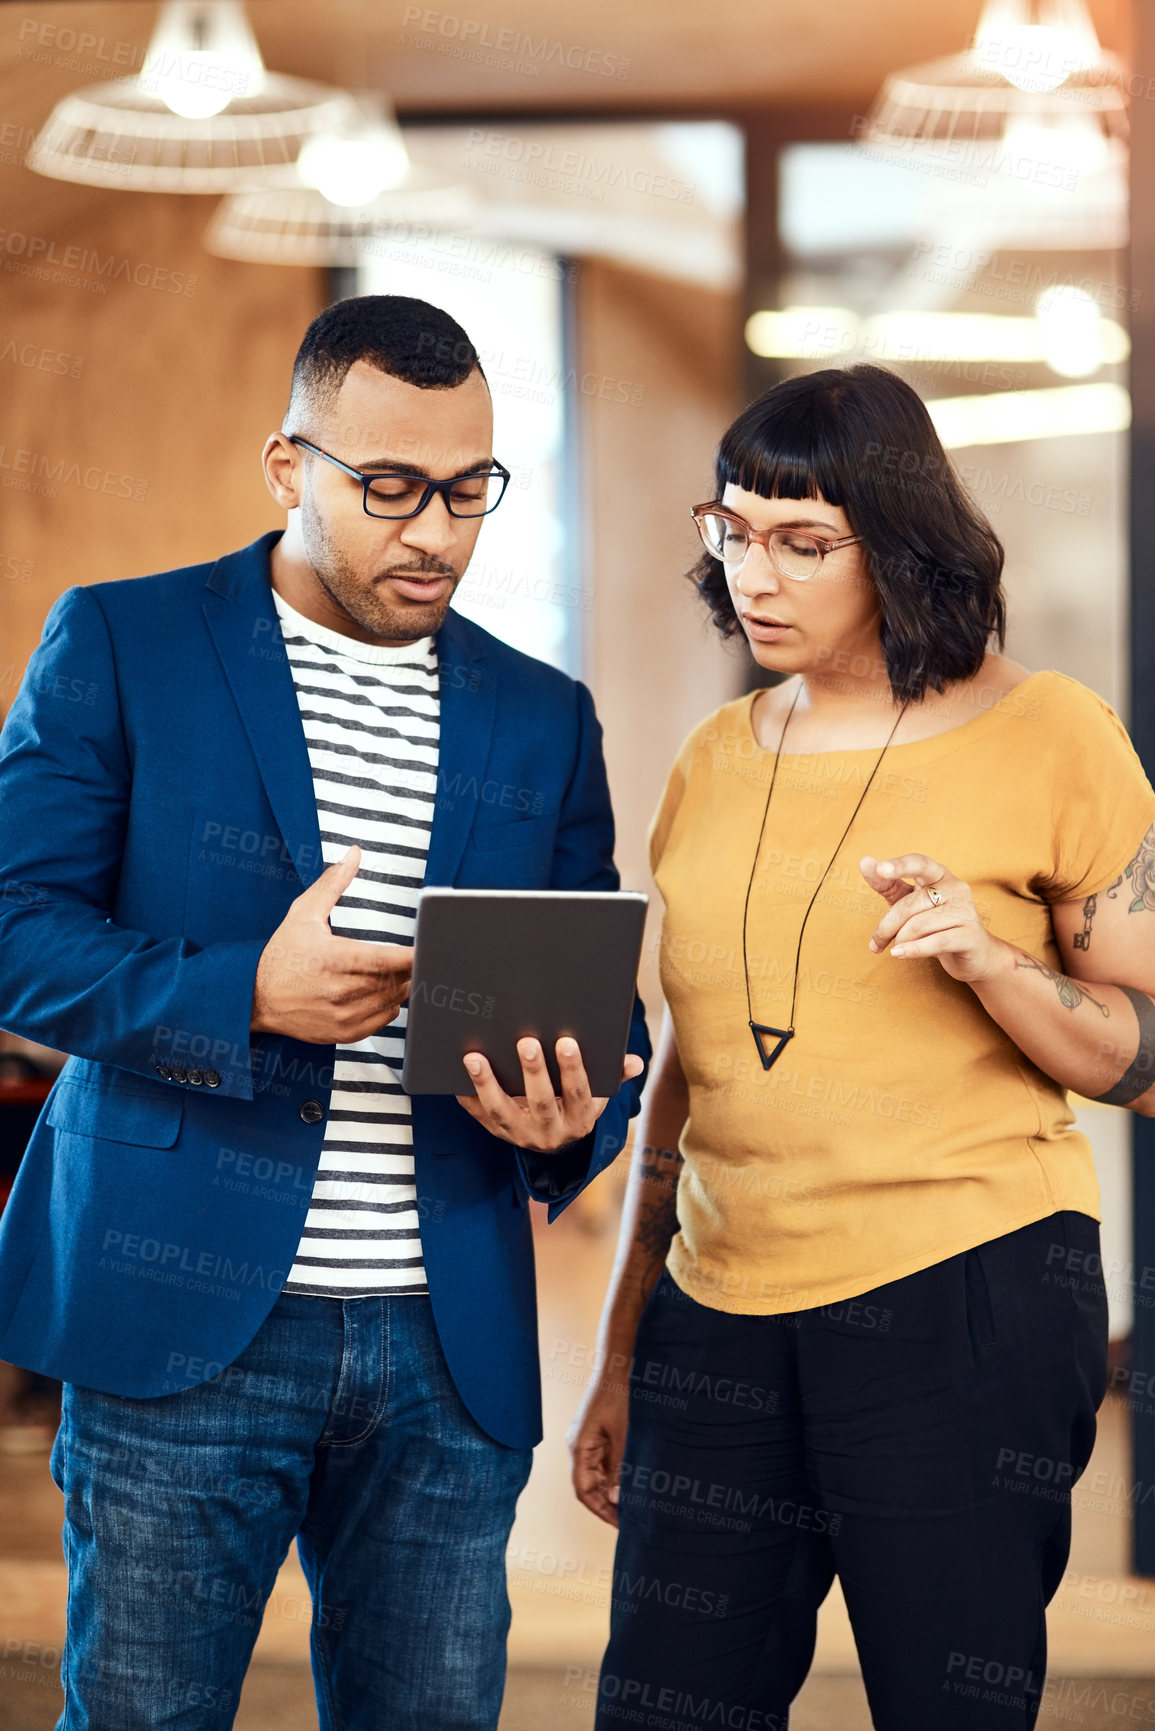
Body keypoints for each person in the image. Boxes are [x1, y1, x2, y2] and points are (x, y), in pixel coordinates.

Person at [0, 293, 650, 1731]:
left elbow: (605, 1012)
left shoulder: (543, 717)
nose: (437, 532)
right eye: (392, 488)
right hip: (183, 1322)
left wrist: (574, 1115)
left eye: (469, 488)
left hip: (447, 1342)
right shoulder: (123, 642)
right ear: (288, 467)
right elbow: (16, 929)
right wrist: (244, 994)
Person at [569, 363, 1155, 1731]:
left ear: (895, 541)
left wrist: (995, 963)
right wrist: (620, 1348)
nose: (754, 576)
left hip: (965, 1300)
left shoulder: (1057, 734)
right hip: (716, 1314)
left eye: (802, 542)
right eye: (734, 531)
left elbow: (1144, 1050)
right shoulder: (715, 754)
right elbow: (688, 1068)